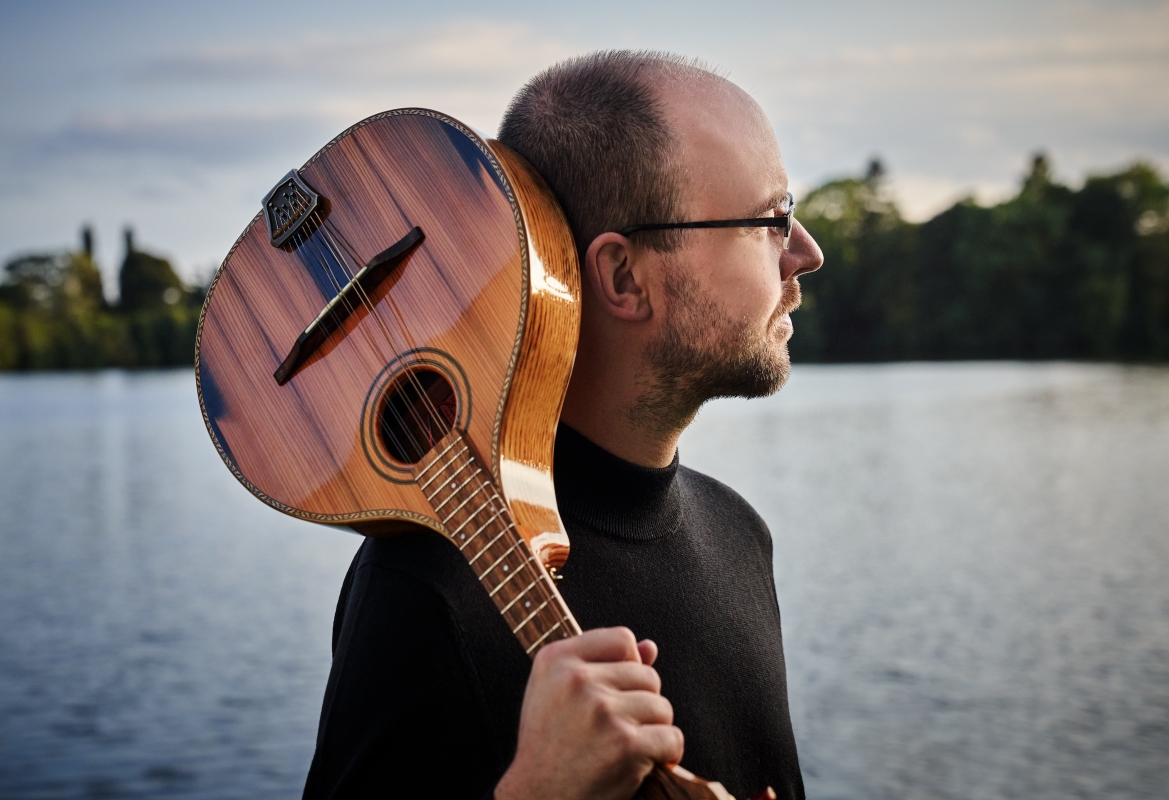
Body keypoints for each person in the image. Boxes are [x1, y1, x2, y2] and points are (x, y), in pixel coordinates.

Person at [302, 51, 823, 800]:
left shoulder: (739, 532)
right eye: (772, 220)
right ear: (623, 278)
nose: (807, 252)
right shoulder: (430, 583)